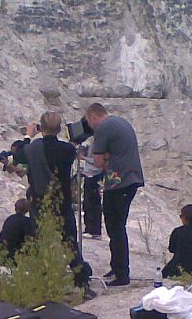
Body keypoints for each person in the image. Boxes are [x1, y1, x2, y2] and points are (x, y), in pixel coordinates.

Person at [18, 111, 92, 291]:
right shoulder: (68, 150)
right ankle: (81, 282)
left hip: (39, 201)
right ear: (59, 129)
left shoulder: (33, 148)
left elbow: (19, 154)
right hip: (62, 201)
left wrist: (28, 135)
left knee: (40, 240)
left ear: (41, 128)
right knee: (70, 242)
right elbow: (70, 150)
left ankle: (43, 282)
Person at [85, 103, 144, 287]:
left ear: (93, 116)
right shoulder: (120, 122)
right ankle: (116, 266)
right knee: (117, 226)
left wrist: (98, 157)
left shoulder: (103, 128)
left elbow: (97, 161)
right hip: (130, 179)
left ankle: (121, 273)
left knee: (115, 227)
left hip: (119, 182)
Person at [162, 204, 192, 278]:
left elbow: (171, 249)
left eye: (181, 216)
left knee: (164, 274)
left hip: (180, 266)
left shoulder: (178, 231)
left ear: (184, 218)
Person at [79, 137, 103, 238]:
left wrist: (84, 158)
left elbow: (98, 161)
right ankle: (89, 228)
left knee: (93, 202)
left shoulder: (99, 141)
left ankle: (94, 230)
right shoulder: (92, 140)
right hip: (89, 173)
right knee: (87, 202)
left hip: (95, 174)